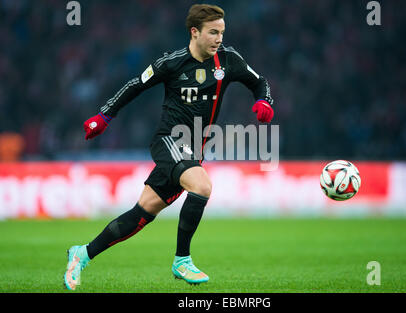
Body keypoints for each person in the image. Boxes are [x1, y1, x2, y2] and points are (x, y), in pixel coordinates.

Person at [64, 3, 274, 290]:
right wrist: (104, 116)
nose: (219, 39)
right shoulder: (171, 63)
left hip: (194, 150)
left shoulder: (228, 59)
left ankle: (82, 253)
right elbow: (135, 85)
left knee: (142, 214)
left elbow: (259, 81)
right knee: (202, 186)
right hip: (169, 141)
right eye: (213, 33)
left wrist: (264, 101)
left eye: (222, 32)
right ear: (194, 32)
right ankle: (182, 260)